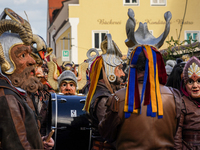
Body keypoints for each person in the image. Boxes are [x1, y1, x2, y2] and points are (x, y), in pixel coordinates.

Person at [98, 9, 182, 150]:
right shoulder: (174, 96)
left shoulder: (118, 98)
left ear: (132, 67)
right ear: (156, 65)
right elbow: (176, 132)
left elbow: (106, 132)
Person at [0, 8, 53, 149]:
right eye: (23, 55)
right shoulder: (7, 98)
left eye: (30, 53)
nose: (32, 61)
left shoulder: (16, 92)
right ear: (6, 61)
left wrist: (40, 142)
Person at [83, 33, 125, 150]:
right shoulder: (103, 98)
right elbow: (109, 132)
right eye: (120, 69)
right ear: (110, 71)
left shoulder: (105, 93)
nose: (123, 74)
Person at [174, 56, 200, 149]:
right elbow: (177, 137)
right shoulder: (181, 103)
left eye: (199, 81)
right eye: (190, 82)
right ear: (184, 84)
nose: (195, 86)